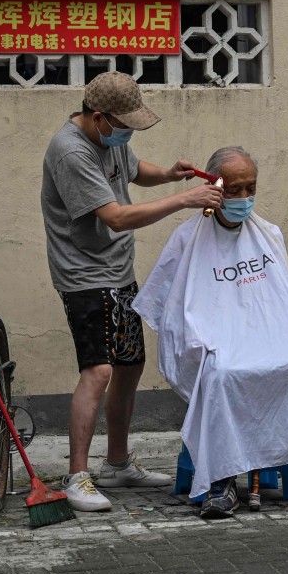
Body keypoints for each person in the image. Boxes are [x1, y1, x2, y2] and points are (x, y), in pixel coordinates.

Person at [133, 147, 288, 519]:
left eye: (250, 188)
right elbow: (164, 308)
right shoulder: (188, 239)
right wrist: (200, 341)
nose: (242, 198)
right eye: (233, 189)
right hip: (220, 344)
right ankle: (220, 482)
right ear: (213, 187)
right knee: (220, 376)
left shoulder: (268, 234)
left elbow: (284, 303)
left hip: (272, 338)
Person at [40, 71, 224, 512]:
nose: (127, 134)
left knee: (129, 363)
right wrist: (184, 200)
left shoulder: (110, 140)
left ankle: (118, 463)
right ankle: (77, 475)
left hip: (117, 269)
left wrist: (170, 175)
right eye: (123, 126)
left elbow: (136, 171)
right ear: (99, 116)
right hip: (84, 273)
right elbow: (117, 217)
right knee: (98, 370)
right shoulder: (71, 152)